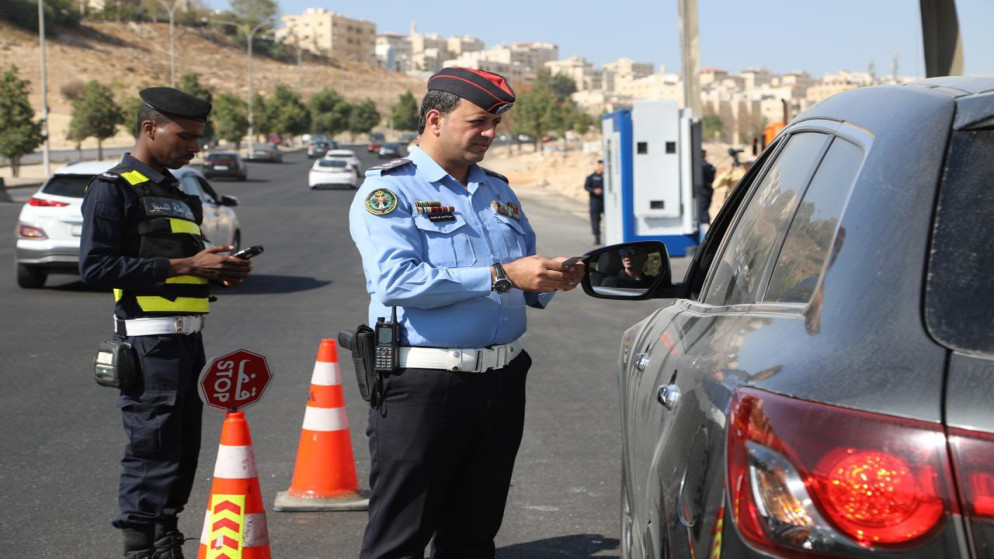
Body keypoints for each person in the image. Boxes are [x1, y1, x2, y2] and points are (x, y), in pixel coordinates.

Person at [348, 66, 584, 559]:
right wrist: (503, 275)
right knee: (399, 538)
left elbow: (522, 276)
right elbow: (396, 282)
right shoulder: (390, 191)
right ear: (435, 120)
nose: (490, 134)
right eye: (478, 122)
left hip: (502, 379)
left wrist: (558, 275)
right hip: (425, 385)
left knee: (473, 536)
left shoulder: (497, 189)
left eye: (495, 123)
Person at [78, 87, 252, 559]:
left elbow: (177, 265)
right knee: (151, 452)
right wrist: (188, 265)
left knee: (181, 453)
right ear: (150, 128)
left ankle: (164, 541)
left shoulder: (176, 193)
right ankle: (140, 548)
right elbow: (95, 267)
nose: (195, 146)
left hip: (187, 342)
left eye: (198, 137)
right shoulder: (113, 187)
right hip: (148, 343)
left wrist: (219, 269)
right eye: (186, 136)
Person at [584, 159, 605, 244]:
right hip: (595, 201)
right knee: (595, 220)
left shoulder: (608, 176)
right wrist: (594, 190)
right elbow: (586, 187)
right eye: (600, 165)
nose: (601, 167)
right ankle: (597, 238)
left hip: (605, 202)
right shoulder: (591, 177)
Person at [700, 150, 715, 225]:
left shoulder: (701, 166)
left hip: (704, 191)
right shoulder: (708, 166)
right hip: (706, 190)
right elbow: (711, 179)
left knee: (703, 210)